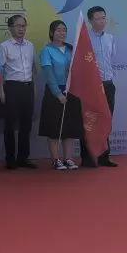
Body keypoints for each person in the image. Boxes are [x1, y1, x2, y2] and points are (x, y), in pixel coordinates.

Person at [39, 20, 82, 171]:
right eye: (58, 30)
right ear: (52, 32)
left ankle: (68, 158)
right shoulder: (47, 50)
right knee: (54, 128)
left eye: (64, 30)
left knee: (69, 127)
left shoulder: (71, 49)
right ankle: (56, 159)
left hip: (71, 91)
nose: (62, 33)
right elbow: (49, 74)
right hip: (54, 92)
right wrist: (58, 94)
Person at [79, 6, 119, 167]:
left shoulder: (110, 38)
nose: (101, 21)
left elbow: (112, 60)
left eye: (103, 18)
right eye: (97, 18)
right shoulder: (85, 39)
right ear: (90, 21)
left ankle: (104, 157)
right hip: (91, 86)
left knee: (105, 120)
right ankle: (87, 157)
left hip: (108, 84)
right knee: (89, 121)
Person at [0, 14, 37, 170]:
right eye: (18, 26)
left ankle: (23, 158)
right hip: (12, 87)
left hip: (28, 87)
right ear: (10, 28)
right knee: (10, 124)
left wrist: (34, 88)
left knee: (26, 124)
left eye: (23, 26)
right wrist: (1, 91)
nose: (21, 29)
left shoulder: (30, 46)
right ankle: (10, 158)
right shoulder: (4, 46)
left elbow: (33, 69)